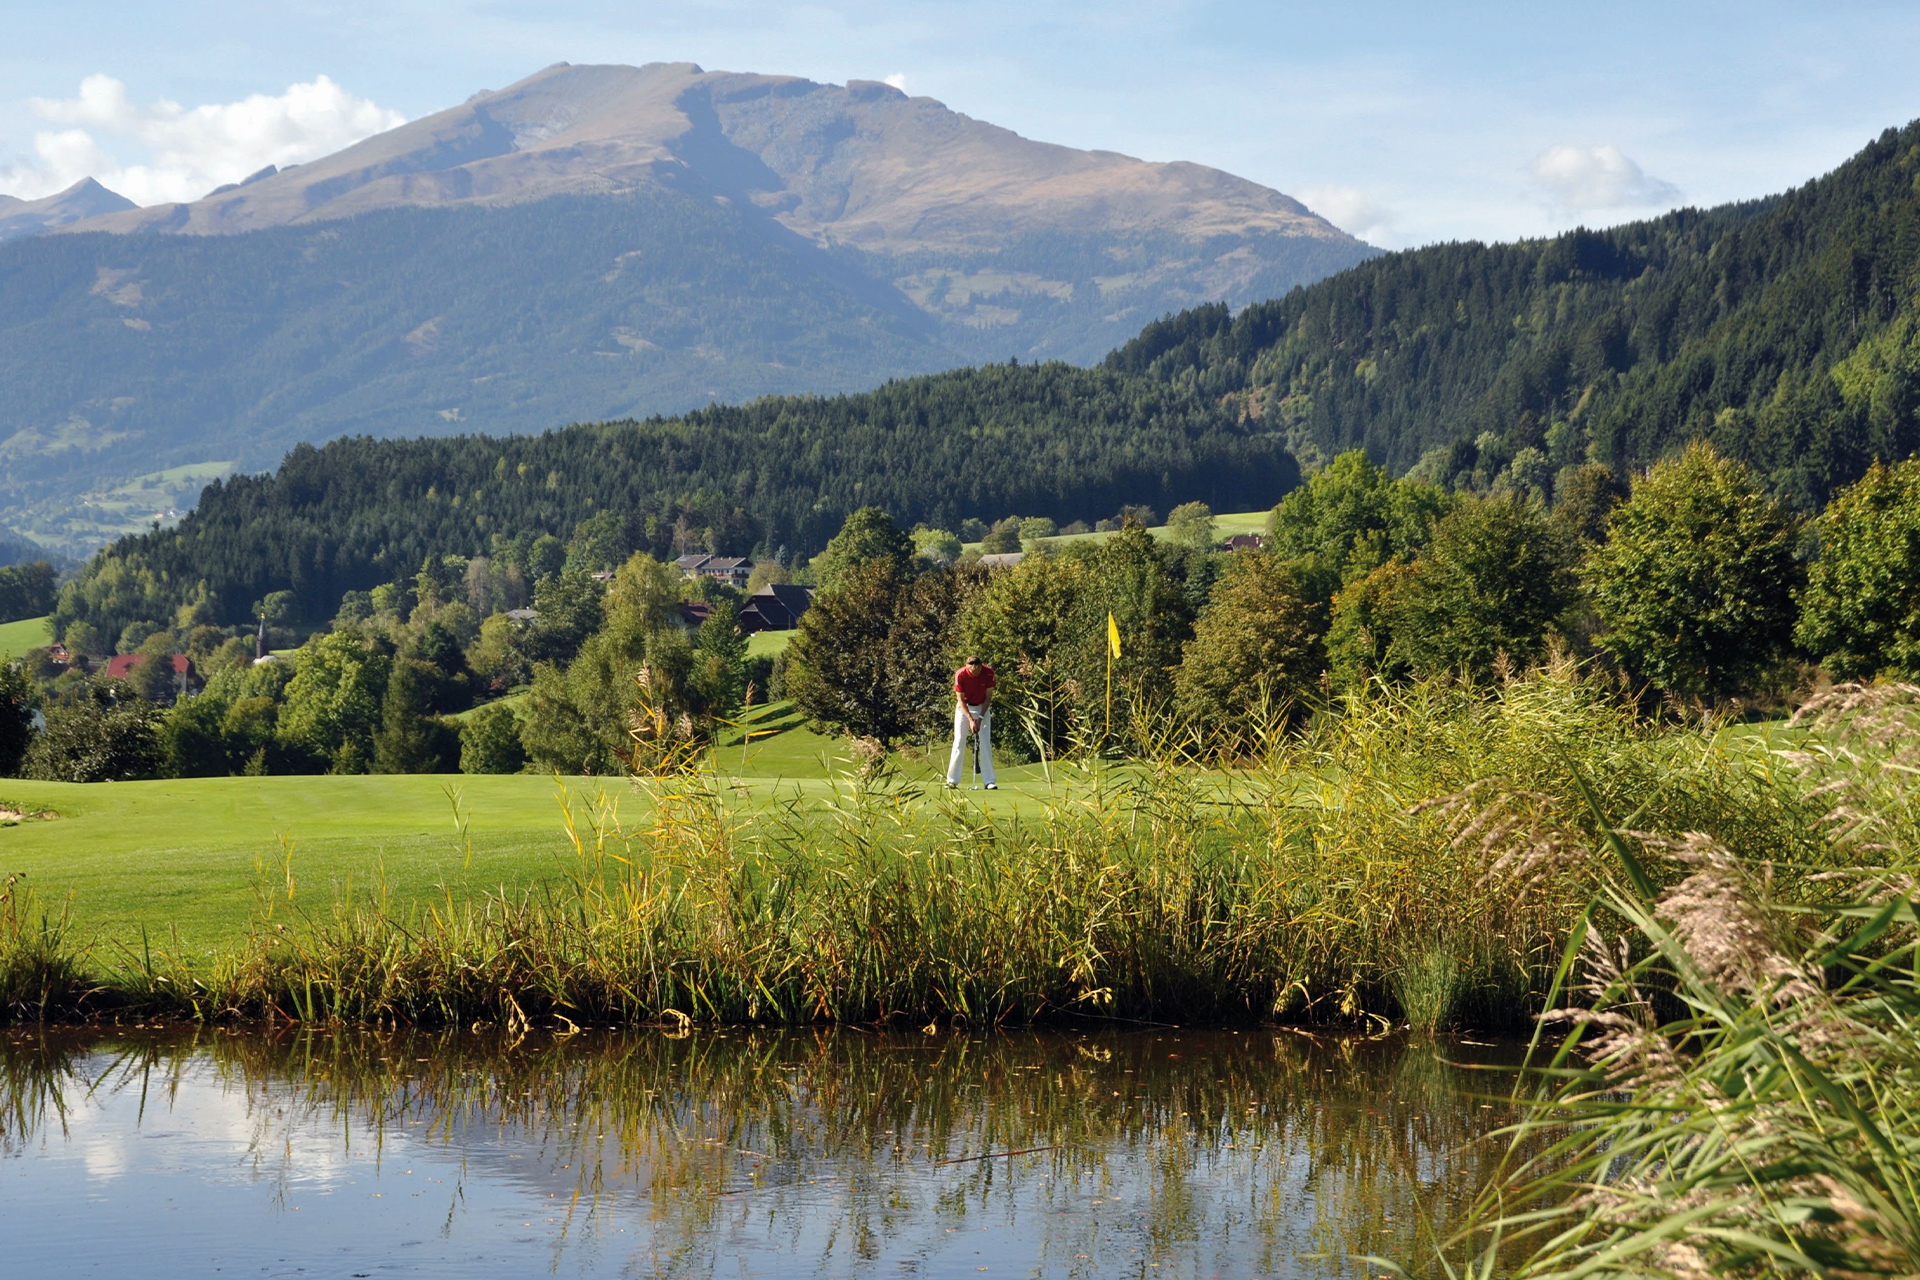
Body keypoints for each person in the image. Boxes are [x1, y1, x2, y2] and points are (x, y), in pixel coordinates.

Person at [947, 654, 997, 789]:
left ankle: (989, 781)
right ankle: (952, 780)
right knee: (958, 742)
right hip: (964, 708)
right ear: (967, 666)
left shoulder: (989, 673)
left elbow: (988, 698)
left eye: (977, 668)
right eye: (971, 668)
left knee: (985, 743)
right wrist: (970, 719)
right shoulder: (960, 674)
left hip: (982, 707)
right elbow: (961, 700)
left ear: (980, 666)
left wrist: (979, 718)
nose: (974, 671)